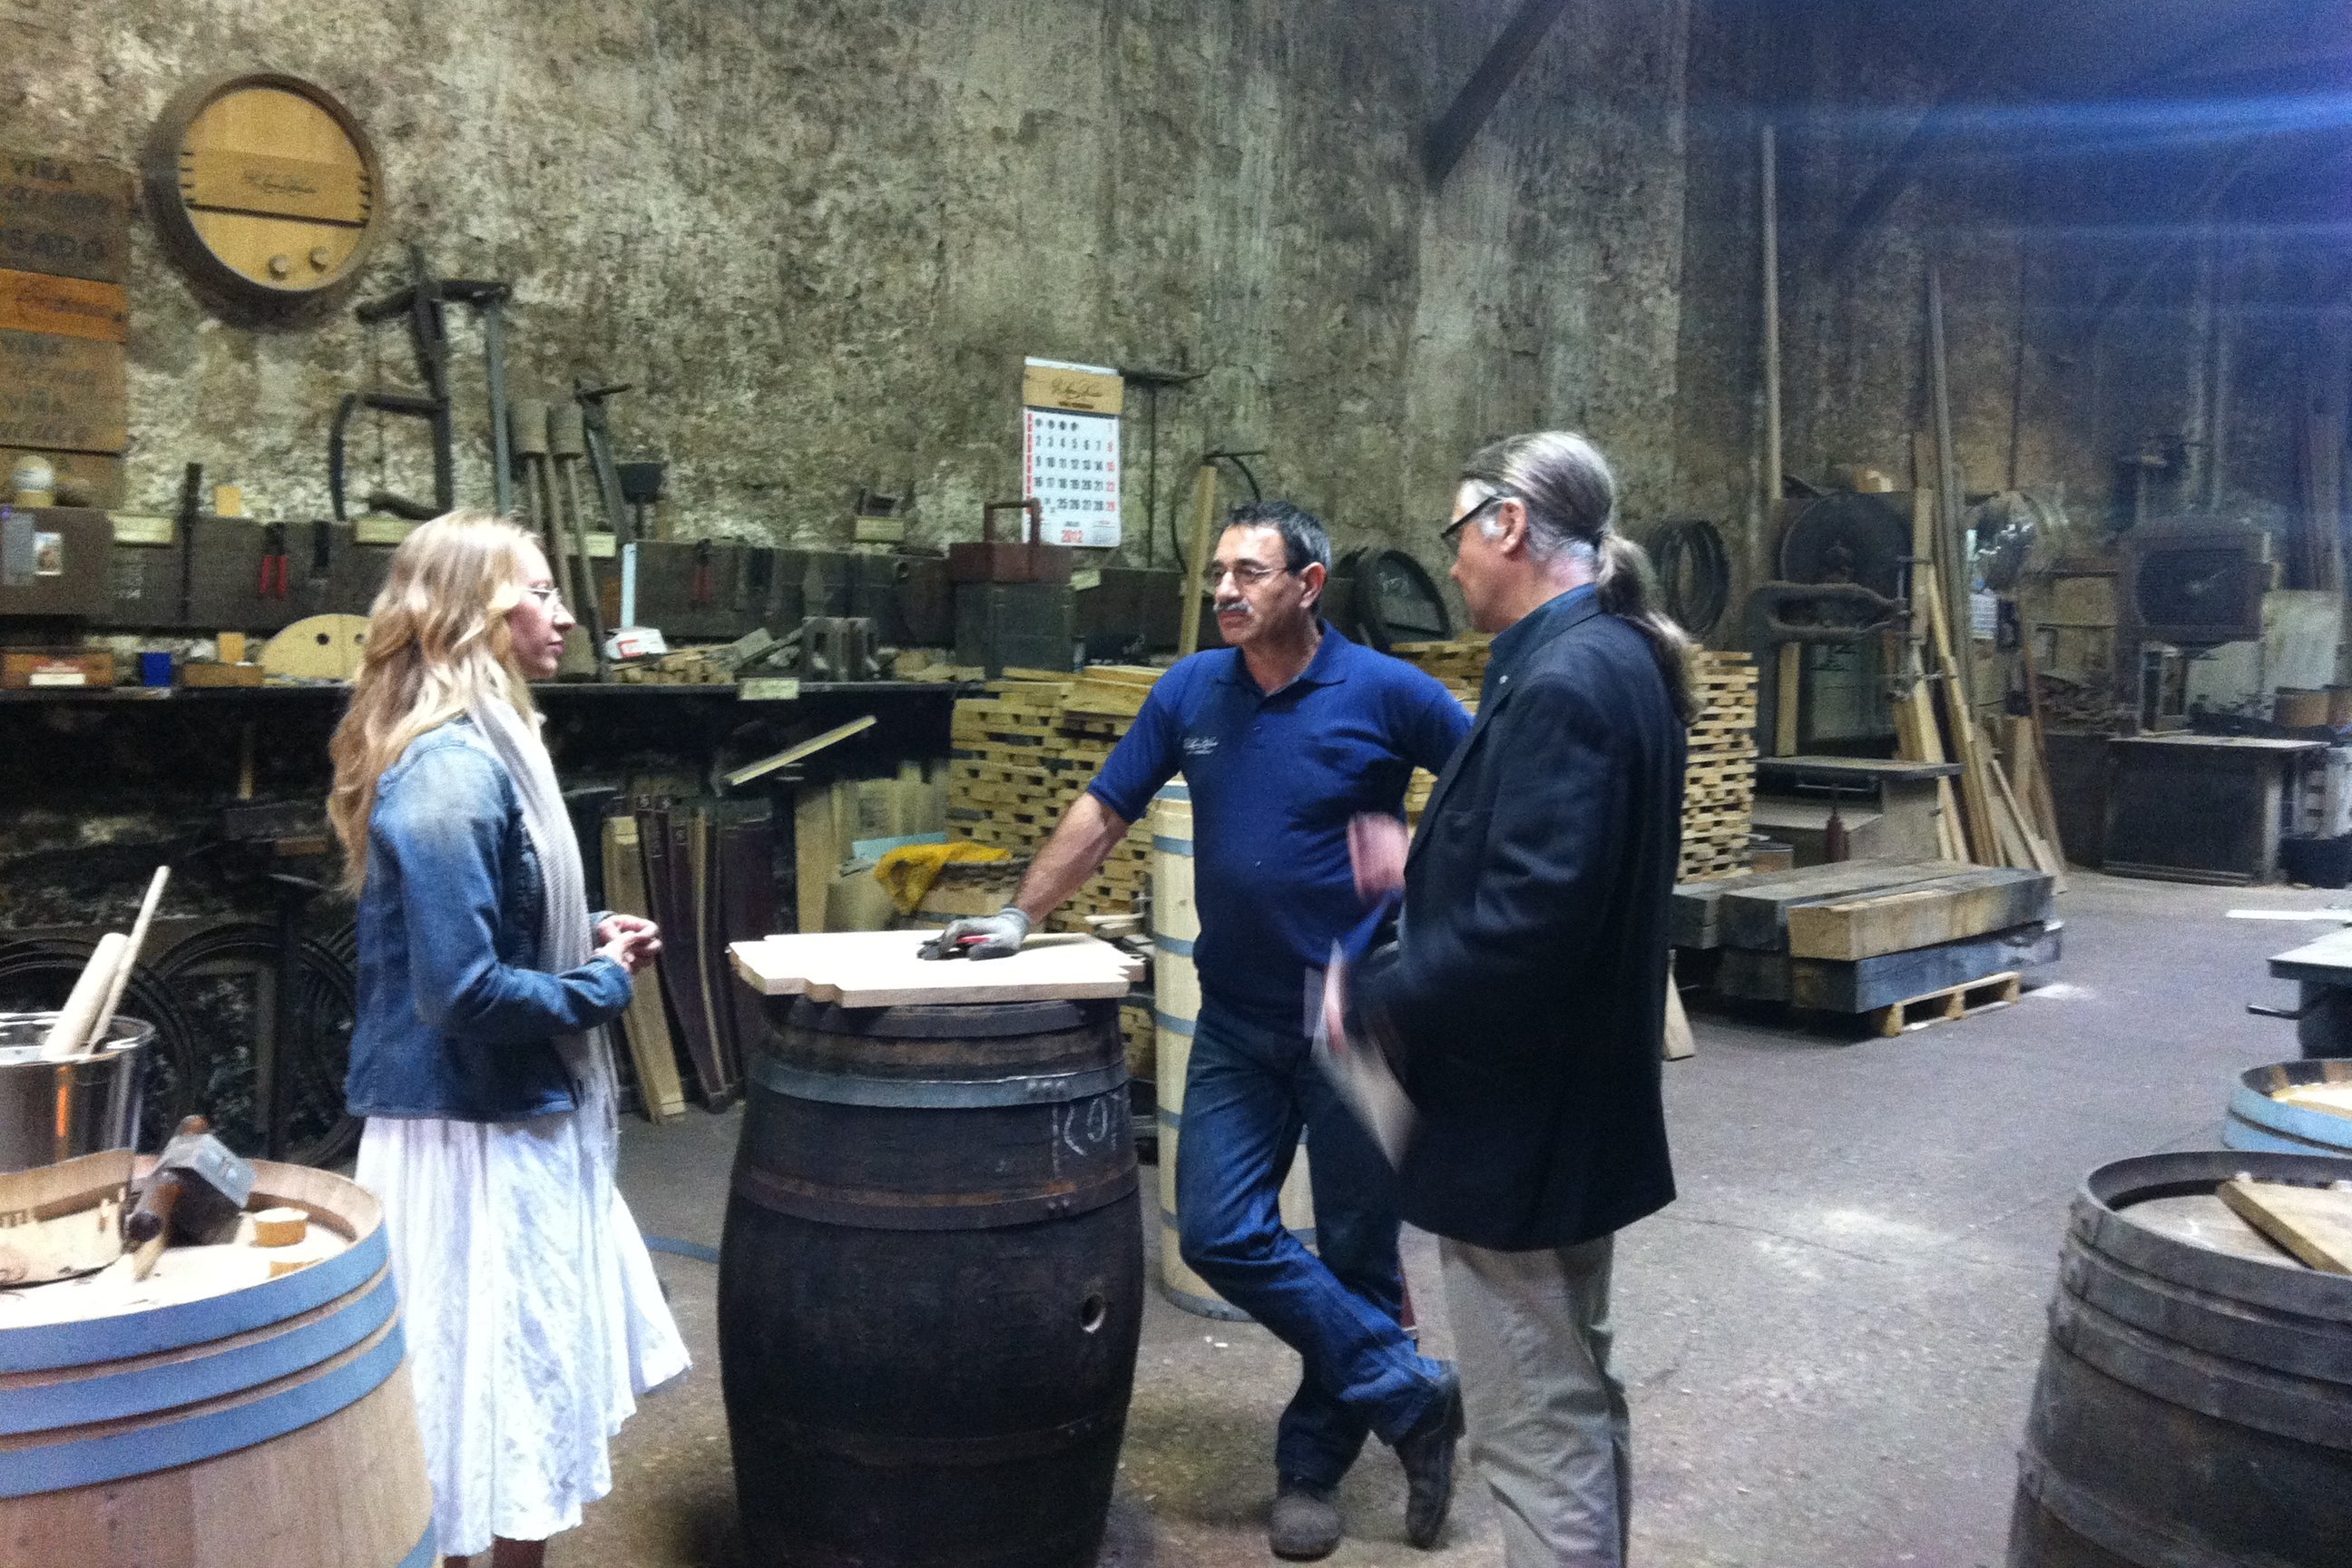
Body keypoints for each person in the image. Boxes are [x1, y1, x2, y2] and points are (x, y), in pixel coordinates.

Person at [944, 500, 1473, 1559]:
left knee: (1361, 1250)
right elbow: (1105, 807)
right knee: (1219, 1230)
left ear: (1309, 586)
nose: (1227, 590)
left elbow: (1491, 787)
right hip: (1236, 1014)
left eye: (1252, 573)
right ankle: (1413, 1394)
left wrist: (1418, 861)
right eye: (1221, 571)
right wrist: (1020, 911)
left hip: (1359, 1022)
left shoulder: (1385, 691)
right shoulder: (1193, 689)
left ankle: (1311, 1466)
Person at [1338, 432, 1690, 1568]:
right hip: (1569, 1112)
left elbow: (1531, 929)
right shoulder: (1613, 656)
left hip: (1521, 1125)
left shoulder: (1567, 680)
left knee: (1535, 1428)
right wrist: (1426, 865)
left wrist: (1380, 1001)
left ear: (1507, 523)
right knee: (1574, 1392)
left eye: (1458, 535)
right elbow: (1558, 871)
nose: (1452, 564)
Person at [328, 512, 690, 1568]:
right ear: (474, 616)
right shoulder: (450, 772)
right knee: (486, 1395)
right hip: (471, 1129)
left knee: (512, 1392)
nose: (566, 612)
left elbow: (496, 927)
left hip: (506, 1112)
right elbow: (464, 994)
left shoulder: (500, 744)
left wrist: (583, 933)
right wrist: (595, 985)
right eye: (540, 592)